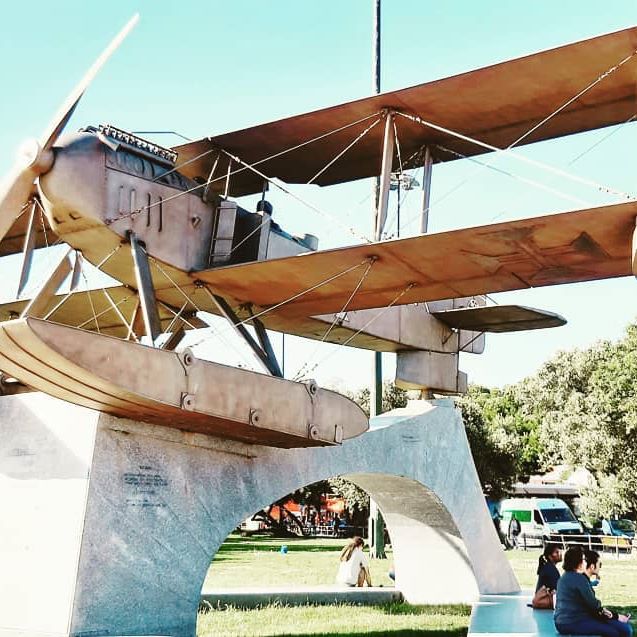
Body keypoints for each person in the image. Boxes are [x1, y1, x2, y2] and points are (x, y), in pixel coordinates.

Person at [554, 545, 632, 636]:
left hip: (561, 623)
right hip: (573, 622)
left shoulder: (564, 577)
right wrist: (611, 614)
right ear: (578, 562)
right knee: (613, 632)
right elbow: (594, 604)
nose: (585, 562)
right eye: (583, 560)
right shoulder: (579, 579)